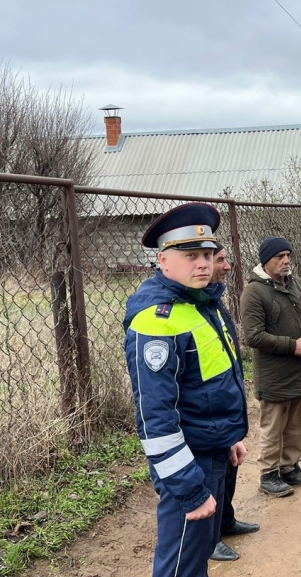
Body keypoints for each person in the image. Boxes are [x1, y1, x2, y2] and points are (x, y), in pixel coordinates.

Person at [123, 203, 248, 577]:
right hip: (187, 465)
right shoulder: (156, 320)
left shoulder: (202, 304)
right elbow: (155, 418)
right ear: (163, 261)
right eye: (190, 255)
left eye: (208, 255)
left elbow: (212, 384)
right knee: (181, 566)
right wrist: (190, 490)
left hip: (212, 450)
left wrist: (228, 437)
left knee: (197, 559)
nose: (203, 264)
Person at [240, 236, 301, 497]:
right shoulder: (254, 292)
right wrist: (292, 345)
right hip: (274, 375)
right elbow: (253, 336)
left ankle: (289, 467)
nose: (286, 260)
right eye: (279, 256)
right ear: (266, 260)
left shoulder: (297, 284)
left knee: (298, 422)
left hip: (300, 371)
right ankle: (269, 474)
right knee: (273, 425)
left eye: (288, 255)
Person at [208, 245, 261, 562]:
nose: (228, 266)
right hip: (208, 413)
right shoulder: (198, 306)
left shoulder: (215, 302)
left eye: (227, 259)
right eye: (221, 261)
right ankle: (210, 538)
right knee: (211, 475)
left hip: (226, 408)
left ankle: (225, 522)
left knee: (228, 470)